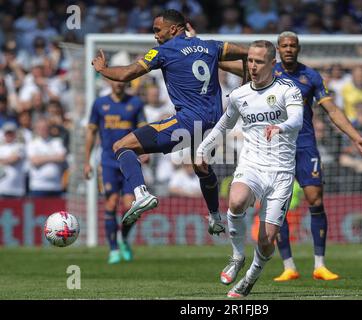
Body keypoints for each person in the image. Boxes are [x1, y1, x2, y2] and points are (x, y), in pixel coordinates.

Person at [219, 31, 362, 282]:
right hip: (274, 149)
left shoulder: (310, 76)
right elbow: (232, 66)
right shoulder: (268, 71)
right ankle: (288, 266)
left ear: (298, 48)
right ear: (278, 50)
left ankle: (320, 264)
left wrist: (355, 137)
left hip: (304, 144)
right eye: (284, 45)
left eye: (293, 45)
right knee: (274, 205)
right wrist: (199, 49)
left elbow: (332, 109)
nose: (289, 49)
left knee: (315, 199)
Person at [91, 9, 248, 235]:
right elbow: (248, 54)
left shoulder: (163, 51)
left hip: (187, 122)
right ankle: (215, 217)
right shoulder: (211, 46)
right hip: (214, 125)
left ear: (173, 29)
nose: (155, 35)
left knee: (121, 146)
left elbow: (126, 74)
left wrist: (102, 69)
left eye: (157, 30)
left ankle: (141, 193)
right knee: (201, 167)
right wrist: (242, 88)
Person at [197, 40, 304, 298]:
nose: (252, 66)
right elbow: (224, 125)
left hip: (281, 173)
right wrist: (201, 150)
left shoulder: (288, 90)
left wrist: (281, 127)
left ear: (272, 64)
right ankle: (236, 256)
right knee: (236, 201)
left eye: (258, 62)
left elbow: (297, 119)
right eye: (250, 61)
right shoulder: (239, 95)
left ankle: (249, 279)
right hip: (252, 165)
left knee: (267, 241)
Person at [84, 80, 147, 264]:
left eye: (121, 81)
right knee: (111, 204)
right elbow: (91, 133)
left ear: (126, 82)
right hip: (108, 162)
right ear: (108, 82)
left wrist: (145, 152)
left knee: (130, 206)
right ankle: (113, 249)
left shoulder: (135, 103)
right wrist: (87, 161)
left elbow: (143, 130)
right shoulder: (99, 104)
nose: (118, 84)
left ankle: (124, 238)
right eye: (114, 80)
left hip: (129, 161)